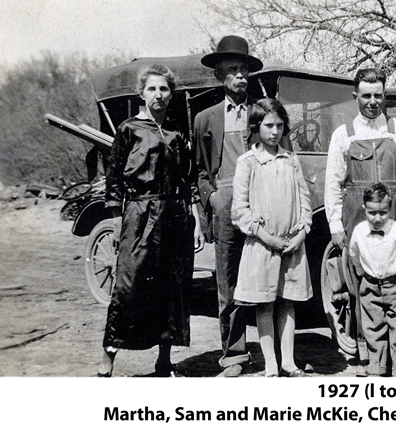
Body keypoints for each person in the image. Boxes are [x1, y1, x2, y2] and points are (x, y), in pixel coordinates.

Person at [99, 64, 204, 377]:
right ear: (141, 93)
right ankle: (107, 363)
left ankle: (164, 362)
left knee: (172, 287)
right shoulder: (128, 129)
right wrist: (118, 222)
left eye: (164, 89)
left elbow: (188, 179)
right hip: (140, 215)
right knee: (127, 287)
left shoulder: (176, 132)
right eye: (152, 89)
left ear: (171, 94)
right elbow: (114, 177)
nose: (158, 95)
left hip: (175, 216)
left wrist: (194, 216)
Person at [324, 68, 396, 368]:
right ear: (355, 97)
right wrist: (336, 226)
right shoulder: (343, 135)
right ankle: (368, 357)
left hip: (394, 223)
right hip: (356, 221)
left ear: (385, 95)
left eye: (378, 95)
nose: (373, 101)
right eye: (366, 95)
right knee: (360, 288)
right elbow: (333, 184)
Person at [194, 35, 264, 376]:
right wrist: (212, 199)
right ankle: (235, 355)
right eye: (233, 69)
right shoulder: (205, 118)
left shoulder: (264, 113)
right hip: (224, 204)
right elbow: (200, 171)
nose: (240, 76)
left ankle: (276, 353)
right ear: (220, 74)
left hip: (262, 205)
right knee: (228, 282)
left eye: (244, 70)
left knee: (268, 277)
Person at [232, 99, 313, 377]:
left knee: (287, 301)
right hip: (262, 246)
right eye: (268, 125)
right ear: (257, 127)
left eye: (279, 125)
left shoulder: (291, 160)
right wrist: (266, 236)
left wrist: (301, 233)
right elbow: (239, 210)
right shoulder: (248, 162)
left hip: (291, 245)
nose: (274, 131)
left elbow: (305, 203)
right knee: (265, 303)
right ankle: (270, 363)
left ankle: (288, 361)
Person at [347, 182, 396, 377]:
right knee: (373, 328)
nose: (377, 218)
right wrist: (362, 273)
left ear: (390, 209)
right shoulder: (359, 231)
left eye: (383, 213)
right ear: (364, 209)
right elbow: (354, 254)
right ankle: (377, 368)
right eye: (372, 213)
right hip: (370, 285)